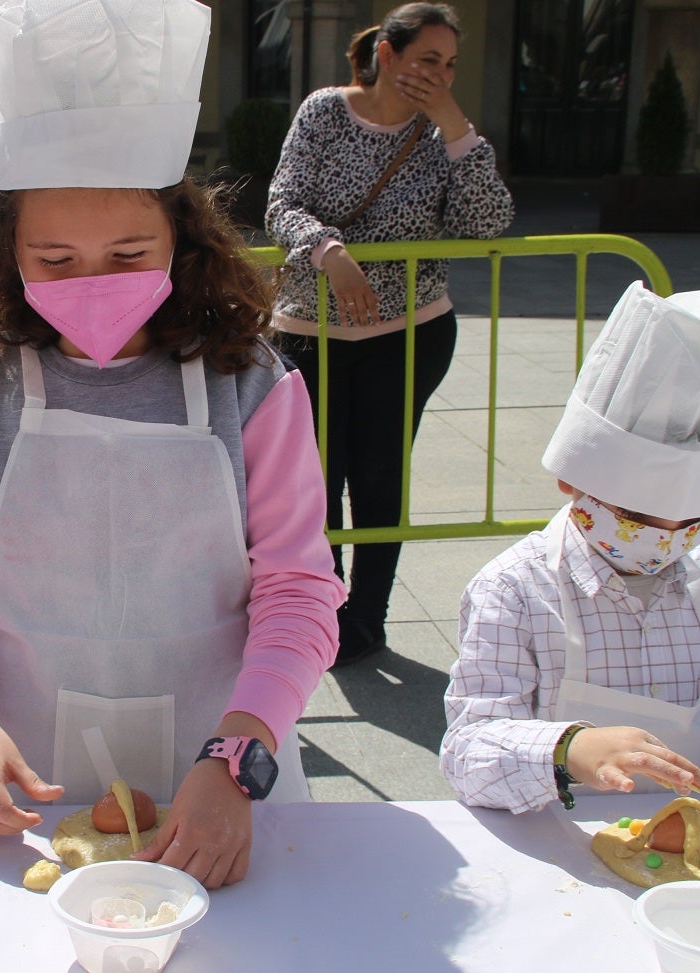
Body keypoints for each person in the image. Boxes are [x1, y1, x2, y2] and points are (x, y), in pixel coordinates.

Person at [0, 0, 343, 890]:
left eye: (129, 252)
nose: (91, 282)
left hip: (222, 776)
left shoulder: (249, 385)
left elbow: (299, 592)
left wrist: (238, 756)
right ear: (8, 250)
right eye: (56, 260)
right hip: (30, 785)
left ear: (181, 241)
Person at [441, 282, 700, 819]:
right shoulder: (515, 590)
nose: (666, 535)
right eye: (638, 518)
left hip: (693, 853)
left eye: (694, 523)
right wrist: (568, 750)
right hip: (560, 847)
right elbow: (470, 750)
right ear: (573, 480)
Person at [266, 2, 513, 668]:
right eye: (426, 59)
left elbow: (486, 221)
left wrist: (458, 129)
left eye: (450, 64)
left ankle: (366, 619)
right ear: (387, 55)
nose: (439, 75)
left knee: (379, 474)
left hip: (409, 328)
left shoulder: (444, 136)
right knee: (316, 478)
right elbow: (282, 202)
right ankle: (321, 611)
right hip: (309, 326)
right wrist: (328, 250)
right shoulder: (323, 112)